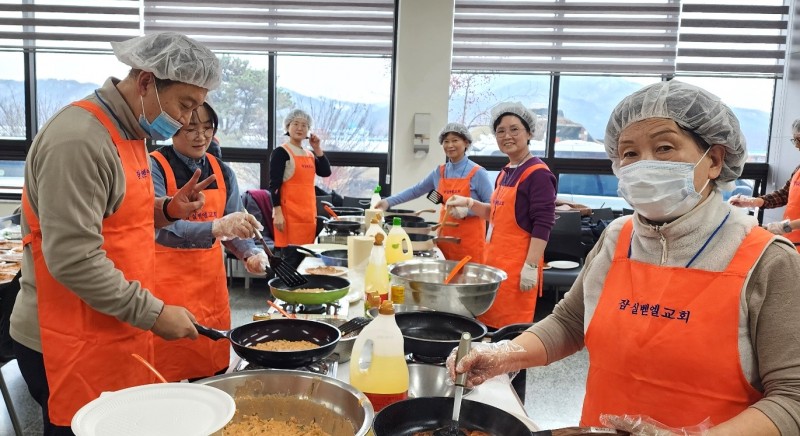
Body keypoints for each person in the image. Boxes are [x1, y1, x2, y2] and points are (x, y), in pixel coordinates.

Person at [448, 81, 800, 434]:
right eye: (629, 153)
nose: (644, 165)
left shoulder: (767, 261)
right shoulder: (617, 238)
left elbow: (792, 398)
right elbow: (570, 323)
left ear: (715, 160)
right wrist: (504, 354)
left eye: (664, 147)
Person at [10, 32, 223, 434]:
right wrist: (155, 313)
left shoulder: (129, 132)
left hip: (110, 324)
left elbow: (117, 218)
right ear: (145, 82)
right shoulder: (79, 140)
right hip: (65, 337)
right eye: (184, 104)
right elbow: (74, 258)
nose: (187, 120)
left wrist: (167, 210)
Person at [150, 101, 267, 381]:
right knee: (169, 374)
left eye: (207, 128)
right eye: (191, 128)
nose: (200, 136)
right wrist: (215, 226)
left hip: (211, 290)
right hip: (167, 290)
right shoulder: (155, 166)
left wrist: (250, 253)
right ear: (173, 128)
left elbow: (232, 223)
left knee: (211, 373)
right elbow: (160, 228)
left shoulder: (223, 171)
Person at [447, 102, 556, 329]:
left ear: (529, 133)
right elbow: (495, 214)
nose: (507, 135)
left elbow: (543, 223)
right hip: (495, 265)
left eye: (514, 129)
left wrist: (531, 266)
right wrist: (470, 204)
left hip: (517, 271)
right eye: (500, 131)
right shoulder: (506, 172)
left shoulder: (538, 174)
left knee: (509, 336)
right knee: (489, 330)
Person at [375, 123, 493, 262]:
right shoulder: (440, 171)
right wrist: (388, 202)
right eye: (446, 141)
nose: (450, 145)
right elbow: (416, 190)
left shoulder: (478, 173)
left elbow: (492, 208)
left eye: (455, 140)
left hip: (470, 244)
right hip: (444, 240)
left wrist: (468, 211)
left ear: (466, 142)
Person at [730, 118, 800, 252]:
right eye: (795, 140)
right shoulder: (798, 169)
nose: (797, 146)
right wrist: (752, 201)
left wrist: (783, 227)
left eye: (799, 140)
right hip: (792, 242)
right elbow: (784, 194)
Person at [269, 109, 332, 248]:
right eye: (295, 123)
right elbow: (274, 185)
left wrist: (317, 148)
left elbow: (326, 172)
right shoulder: (281, 152)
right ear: (287, 127)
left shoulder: (309, 154)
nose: (300, 128)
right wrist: (277, 213)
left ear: (308, 130)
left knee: (305, 257)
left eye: (304, 125)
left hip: (308, 216)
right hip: (288, 216)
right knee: (290, 259)